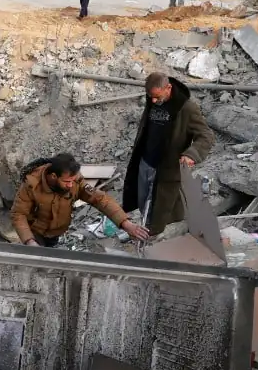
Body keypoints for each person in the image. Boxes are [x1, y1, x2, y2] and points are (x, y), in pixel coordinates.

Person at [122, 72, 215, 236]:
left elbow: (206, 135)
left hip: (166, 167)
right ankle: (147, 225)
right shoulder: (154, 100)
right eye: (151, 97)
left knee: (161, 204)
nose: (153, 101)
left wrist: (192, 154)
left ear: (168, 88)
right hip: (145, 161)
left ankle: (154, 234)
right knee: (143, 200)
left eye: (157, 97)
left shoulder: (186, 108)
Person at [12, 153, 148, 247]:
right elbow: (18, 214)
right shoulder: (32, 185)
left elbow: (100, 199)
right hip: (35, 232)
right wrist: (29, 241)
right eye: (66, 182)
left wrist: (125, 223)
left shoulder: (75, 181)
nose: (70, 185)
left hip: (55, 232)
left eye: (72, 181)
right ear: (53, 176)